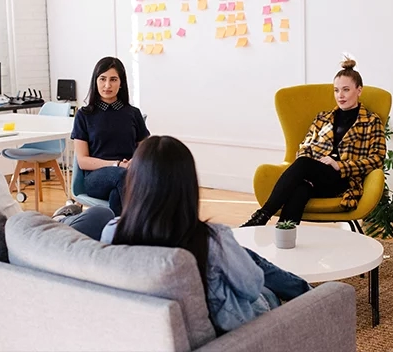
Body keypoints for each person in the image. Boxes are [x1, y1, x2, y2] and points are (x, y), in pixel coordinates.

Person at [100, 135, 311, 333]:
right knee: (265, 290)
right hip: (229, 332)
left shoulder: (112, 231)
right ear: (188, 185)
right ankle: (311, 296)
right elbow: (252, 286)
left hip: (151, 329)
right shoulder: (211, 239)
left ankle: (303, 290)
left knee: (244, 255)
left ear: (135, 182)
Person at [241, 58, 387, 227]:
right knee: (300, 190)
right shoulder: (323, 118)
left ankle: (262, 216)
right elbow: (305, 146)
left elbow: (377, 159)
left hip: (343, 179)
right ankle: (284, 237)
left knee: (303, 164)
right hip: (315, 175)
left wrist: (340, 165)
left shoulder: (371, 121)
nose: (340, 95)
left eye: (346, 90)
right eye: (336, 90)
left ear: (359, 90)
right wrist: (314, 166)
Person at [0, 90, 114, 239]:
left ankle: (58, 219)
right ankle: (59, 220)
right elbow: (22, 230)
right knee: (101, 214)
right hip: (35, 248)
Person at [71, 57, 150, 216]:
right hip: (96, 178)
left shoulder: (133, 114)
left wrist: (135, 161)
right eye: (103, 79)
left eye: (113, 79)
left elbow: (147, 150)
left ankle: (117, 236)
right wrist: (117, 164)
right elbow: (83, 161)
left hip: (127, 175)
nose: (107, 85)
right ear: (95, 81)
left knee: (117, 195)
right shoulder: (84, 115)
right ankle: (145, 227)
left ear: (121, 83)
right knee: (123, 177)